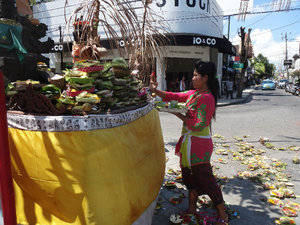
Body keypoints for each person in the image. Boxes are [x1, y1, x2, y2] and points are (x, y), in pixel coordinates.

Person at [149, 61, 228, 225]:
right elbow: (175, 96)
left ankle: (222, 213)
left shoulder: (207, 98)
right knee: (188, 177)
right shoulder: (194, 93)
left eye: (195, 75)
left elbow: (199, 124)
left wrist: (176, 113)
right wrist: (155, 90)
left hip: (199, 145)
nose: (192, 78)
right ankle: (192, 208)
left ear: (205, 78)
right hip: (188, 142)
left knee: (206, 179)